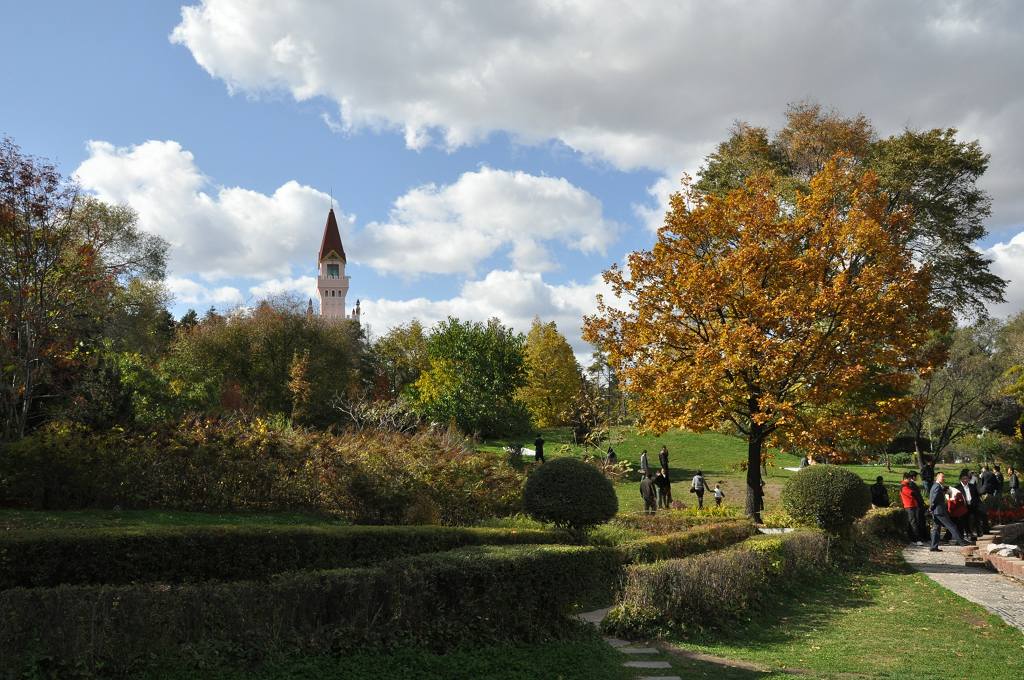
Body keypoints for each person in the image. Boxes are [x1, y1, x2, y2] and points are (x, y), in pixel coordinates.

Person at [929, 472, 969, 551]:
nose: (943, 478)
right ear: (937, 478)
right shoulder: (937, 486)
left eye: (944, 477)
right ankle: (962, 542)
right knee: (952, 526)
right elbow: (934, 499)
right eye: (942, 477)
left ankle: (933, 547)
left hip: (936, 511)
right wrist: (931, 508)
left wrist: (932, 509)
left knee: (936, 529)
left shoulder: (937, 486)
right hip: (939, 511)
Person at [954, 469, 981, 540]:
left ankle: (972, 534)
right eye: (964, 479)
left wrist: (976, 503)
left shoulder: (972, 486)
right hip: (963, 507)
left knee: (972, 520)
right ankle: (964, 535)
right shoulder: (957, 488)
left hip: (972, 506)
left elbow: (977, 496)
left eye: (967, 478)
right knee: (963, 521)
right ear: (961, 479)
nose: (966, 480)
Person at [900, 472, 925, 546]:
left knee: (914, 522)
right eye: (909, 479)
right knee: (913, 522)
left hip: (912, 505)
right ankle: (916, 539)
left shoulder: (906, 485)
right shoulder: (904, 486)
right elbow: (912, 493)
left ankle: (913, 538)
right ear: (905, 478)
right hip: (909, 506)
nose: (910, 480)